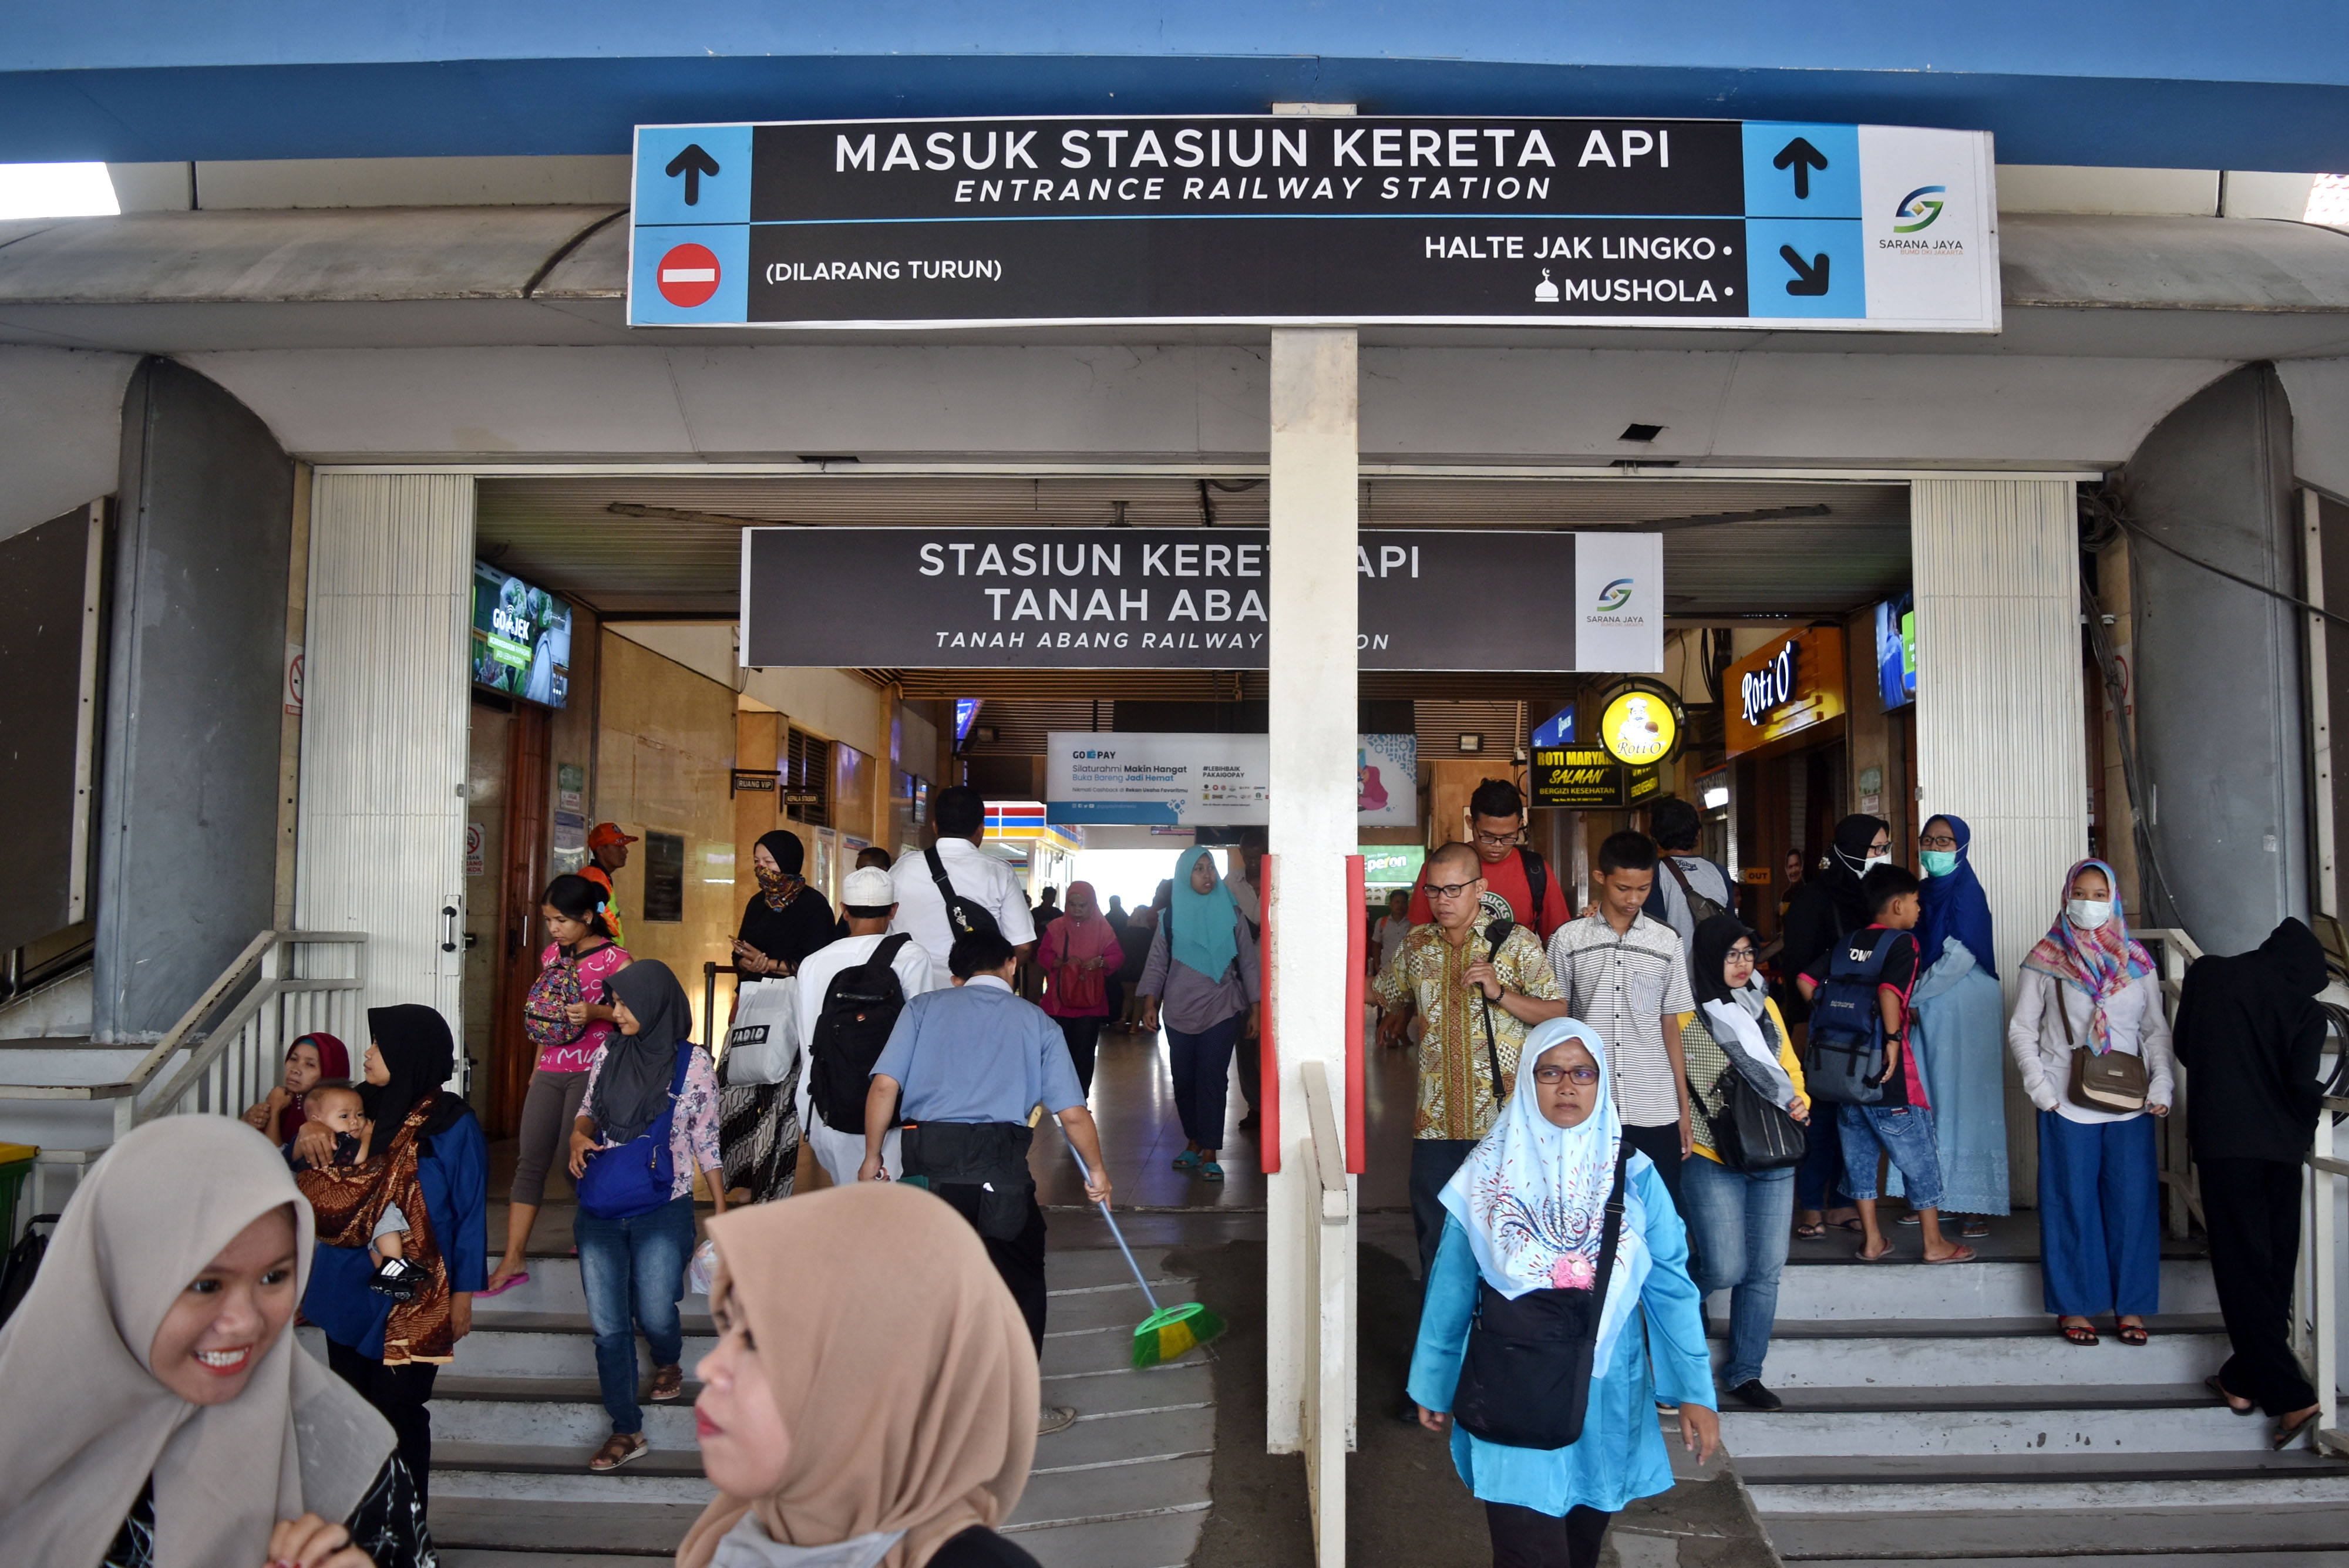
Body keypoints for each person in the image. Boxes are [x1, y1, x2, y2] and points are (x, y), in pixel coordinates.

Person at [0, 1117, 433, 1568]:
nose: (245, 1322)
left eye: (274, 1277)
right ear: (115, 1278)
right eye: (206, 1285)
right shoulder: (14, 1440)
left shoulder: (349, 1462)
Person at [1409, 1018, 1720, 1568]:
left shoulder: (1635, 1175)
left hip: (1601, 1390)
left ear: (1602, 1084)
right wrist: (1434, 1382)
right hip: (1513, 1381)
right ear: (1527, 1081)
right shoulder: (1487, 1171)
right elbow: (1452, 1284)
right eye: (1550, 1072)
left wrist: (1694, 1390)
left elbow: (1671, 1288)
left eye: (1583, 1072)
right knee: (1529, 1551)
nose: (1568, 1086)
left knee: (1581, 1546)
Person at [678, 1184, 1045, 1568]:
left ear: (874, 1380)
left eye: (756, 1340)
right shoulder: (727, 1540)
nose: (709, 1367)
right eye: (728, 1329)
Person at [863, 928, 1112, 1438]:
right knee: (1019, 1284)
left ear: (956, 973)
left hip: (926, 1168)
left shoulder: (923, 1010)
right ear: (1010, 966)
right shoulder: (1036, 1021)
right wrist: (1099, 1173)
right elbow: (1073, 1114)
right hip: (1000, 1172)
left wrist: (871, 1159)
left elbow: (885, 1084)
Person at [292, 1004, 489, 1507]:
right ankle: (364, 1537)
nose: (367, 1052)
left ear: (408, 1053)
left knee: (399, 1408)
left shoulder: (450, 1123)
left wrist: (463, 1296)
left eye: (378, 1045)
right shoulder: (350, 1108)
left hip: (417, 1287)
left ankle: (406, 1538)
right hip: (348, 1284)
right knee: (355, 1411)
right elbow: (305, 1178)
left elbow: (468, 1213)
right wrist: (303, 1136)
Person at [2174, 917, 2331, 1448]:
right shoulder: (2307, 1011)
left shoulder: (2209, 975)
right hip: (2283, 1151)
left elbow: (2184, 1046)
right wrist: (2300, 1130)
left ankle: (2251, 1382)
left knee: (2242, 1267)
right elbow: (2301, 1086)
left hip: (2225, 1144)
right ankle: (2282, 1391)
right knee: (2270, 1269)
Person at [564, 960, 726, 1473]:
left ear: (657, 1005)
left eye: (625, 1003)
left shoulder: (693, 1064)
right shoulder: (610, 1050)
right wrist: (578, 1133)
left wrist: (720, 1211)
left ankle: (668, 1357)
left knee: (656, 1309)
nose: (616, 1011)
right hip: (603, 1202)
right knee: (609, 1326)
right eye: (614, 1002)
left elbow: (706, 1138)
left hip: (663, 1203)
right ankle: (626, 1430)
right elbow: (589, 1106)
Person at [1378, 841, 1569, 1276]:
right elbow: (1387, 993)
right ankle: (1444, 1338)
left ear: (1479, 888)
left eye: (1453, 890)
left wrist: (1500, 993)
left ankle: (1498, 1337)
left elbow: (1557, 1012)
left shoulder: (1516, 943)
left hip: (1501, 1124)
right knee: (1436, 1240)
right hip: (1435, 1124)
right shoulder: (1417, 944)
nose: (1442, 901)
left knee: (1503, 1241)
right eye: (1433, 891)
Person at [2008, 860, 2173, 1348]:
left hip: (2130, 1102)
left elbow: (2155, 1031)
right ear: (2066, 896)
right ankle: (2075, 1306)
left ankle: (2131, 1306)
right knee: (2070, 1202)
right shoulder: (2045, 959)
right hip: (2065, 1100)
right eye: (2081, 892)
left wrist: (2162, 1086)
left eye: (2100, 893)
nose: (2090, 902)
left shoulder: (2137, 962)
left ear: (2114, 897)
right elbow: (2022, 1028)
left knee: (2132, 1204)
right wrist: (2039, 1087)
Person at [1798, 864, 1976, 1266]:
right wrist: (1892, 1040)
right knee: (1919, 1156)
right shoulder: (1902, 944)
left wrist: (1837, 1018)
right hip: (1887, 1074)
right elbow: (1889, 992)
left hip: (1844, 1073)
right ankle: (1934, 1244)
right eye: (1915, 903)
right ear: (1897, 905)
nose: (1919, 911)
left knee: (1858, 1156)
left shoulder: (1847, 943)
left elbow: (1807, 981)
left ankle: (1873, 1241)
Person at [1680, 915, 1812, 1409]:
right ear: (1710, 957)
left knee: (1765, 1268)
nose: (1741, 964)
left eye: (1748, 954)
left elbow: (1789, 1069)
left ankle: (1746, 1372)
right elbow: (1674, 1078)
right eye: (1731, 954)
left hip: (1774, 1146)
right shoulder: (1683, 1011)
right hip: (1712, 1152)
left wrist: (1800, 1104)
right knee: (1724, 1264)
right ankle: (1681, 1302)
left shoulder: (1765, 1006)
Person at [488, 873, 630, 1295]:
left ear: (588, 916)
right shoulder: (553, 955)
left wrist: (597, 1013)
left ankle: (599, 1233)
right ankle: (514, 1256)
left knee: (579, 1158)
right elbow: (545, 1021)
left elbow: (635, 1015)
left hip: (593, 1068)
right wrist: (536, 1067)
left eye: (561, 920)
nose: (554, 929)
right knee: (530, 1159)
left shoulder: (617, 960)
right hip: (551, 1068)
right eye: (549, 919)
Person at [1547, 832, 1697, 1211]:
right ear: (1600, 877)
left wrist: (1684, 1109)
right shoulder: (1569, 940)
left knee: (1658, 1215)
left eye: (1644, 889)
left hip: (1656, 1105)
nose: (1633, 899)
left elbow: (1670, 1028)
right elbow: (1554, 1022)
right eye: (1623, 888)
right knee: (1586, 1213)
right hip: (1587, 1103)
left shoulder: (1667, 942)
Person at [795, 864, 939, 1186]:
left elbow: (807, 1039)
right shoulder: (911, 956)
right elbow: (923, 1039)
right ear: (893, 911)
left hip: (826, 1106)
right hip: (891, 1112)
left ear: (844, 911)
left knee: (849, 1197)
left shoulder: (813, 963)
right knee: (892, 1206)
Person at [1782, 814, 1889, 1239]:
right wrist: (1803, 1021)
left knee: (1855, 1114)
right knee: (1822, 1115)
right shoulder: (1813, 900)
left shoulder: (1872, 898)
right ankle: (1812, 1206)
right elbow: (1796, 965)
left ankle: (1843, 1203)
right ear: (1851, 848)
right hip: (1822, 1026)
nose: (1881, 856)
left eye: (1885, 848)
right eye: (1876, 848)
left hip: (1863, 1029)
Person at [1907, 815, 2008, 1233]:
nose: (1935, 848)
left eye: (1944, 841)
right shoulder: (1924, 892)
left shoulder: (1967, 892)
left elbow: (1960, 956)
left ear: (1962, 847)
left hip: (1964, 1003)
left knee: (1967, 1103)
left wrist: (1911, 997)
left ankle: (1975, 1205)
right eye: (1928, 840)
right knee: (1931, 1099)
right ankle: (1937, 1198)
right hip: (1932, 1004)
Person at [1138, 847, 1263, 1182]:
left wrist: (1256, 1008)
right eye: (1198, 869)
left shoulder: (1232, 913)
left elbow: (1249, 964)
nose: (1207, 875)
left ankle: (1210, 1150)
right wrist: (1151, 1003)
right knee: (1184, 1080)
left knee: (1211, 1077)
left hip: (1223, 1007)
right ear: (1184, 876)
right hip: (1179, 1011)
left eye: (1210, 867)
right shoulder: (1170, 917)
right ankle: (1192, 1141)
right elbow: (1157, 963)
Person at [890, 784, 1039, 974]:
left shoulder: (901, 869)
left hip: (912, 991)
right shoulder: (999, 873)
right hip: (974, 994)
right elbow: (1023, 947)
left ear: (935, 827)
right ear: (981, 829)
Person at [292, 1084, 420, 1300]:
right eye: (344, 1116)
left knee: (376, 1226)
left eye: (360, 1115)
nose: (355, 1121)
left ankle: (388, 1274)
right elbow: (361, 1157)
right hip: (335, 1207)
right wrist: (369, 1134)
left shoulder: (305, 1145)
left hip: (322, 1219)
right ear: (317, 1120)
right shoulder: (336, 1141)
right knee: (384, 1210)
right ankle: (393, 1260)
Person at [1408, 778, 1573, 943]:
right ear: (1470, 823)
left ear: (1520, 825)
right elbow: (1417, 939)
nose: (1497, 846)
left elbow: (1560, 942)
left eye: (1508, 837)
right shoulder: (1439, 867)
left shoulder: (1535, 870)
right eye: (1488, 837)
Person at [1038, 880, 1119, 1095]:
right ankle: (1062, 1096)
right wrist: (1059, 963)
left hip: (1090, 1002)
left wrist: (1100, 962)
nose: (1077, 910)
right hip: (1060, 1001)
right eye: (1072, 904)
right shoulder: (1056, 927)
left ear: (1091, 904)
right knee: (1058, 1053)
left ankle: (1080, 1096)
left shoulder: (1103, 929)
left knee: (1084, 1052)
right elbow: (1043, 954)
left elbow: (1117, 956)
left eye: (1082, 905)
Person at [733, 830, 836, 980]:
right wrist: (745, 962)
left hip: (796, 997)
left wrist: (767, 964)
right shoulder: (757, 902)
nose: (761, 868)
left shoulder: (814, 904)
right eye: (757, 861)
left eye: (768, 862)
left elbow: (819, 961)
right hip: (754, 995)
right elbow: (740, 952)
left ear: (788, 861)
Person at [1644, 796, 1735, 948]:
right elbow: (1731, 924)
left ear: (1655, 836)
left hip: (1675, 970)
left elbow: (1654, 931)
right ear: (1698, 833)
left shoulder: (1654, 873)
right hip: (1714, 969)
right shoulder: (1720, 872)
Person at [1224, 833, 1270, 1128]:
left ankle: (1274, 1105)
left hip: (1276, 977)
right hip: (1242, 978)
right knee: (1247, 1045)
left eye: (1258, 857)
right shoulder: (1230, 884)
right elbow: (1221, 921)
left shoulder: (1279, 877)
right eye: (1248, 857)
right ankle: (1255, 1107)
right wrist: (1240, 931)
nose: (1253, 864)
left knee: (1273, 1046)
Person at [242, 1031, 350, 1146]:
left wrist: (274, 1109)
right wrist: (246, 1122)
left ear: (330, 1073)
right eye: (293, 1059)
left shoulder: (338, 1113)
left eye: (310, 1065)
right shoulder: (285, 1100)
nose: (295, 1070)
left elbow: (276, 1159)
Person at [582, 821, 635, 944]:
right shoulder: (595, 880)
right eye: (618, 846)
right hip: (599, 957)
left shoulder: (599, 875)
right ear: (601, 850)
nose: (625, 851)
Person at [830, 844, 897, 941]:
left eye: (865, 869)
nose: (860, 873)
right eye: (858, 869)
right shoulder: (854, 903)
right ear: (845, 911)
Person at [1115, 900, 1156, 1029]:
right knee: (1139, 1000)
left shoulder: (1124, 933)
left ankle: (1123, 1018)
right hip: (1141, 971)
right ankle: (1134, 1027)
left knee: (1127, 998)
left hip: (1125, 970)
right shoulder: (1149, 935)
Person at [1377, 889, 1414, 981]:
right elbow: (1376, 945)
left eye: (1403, 902)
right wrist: (1377, 966)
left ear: (1407, 905)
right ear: (1391, 904)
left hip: (1408, 971)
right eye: (1397, 902)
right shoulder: (1382, 922)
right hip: (1386, 968)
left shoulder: (1413, 924)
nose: (1400, 906)